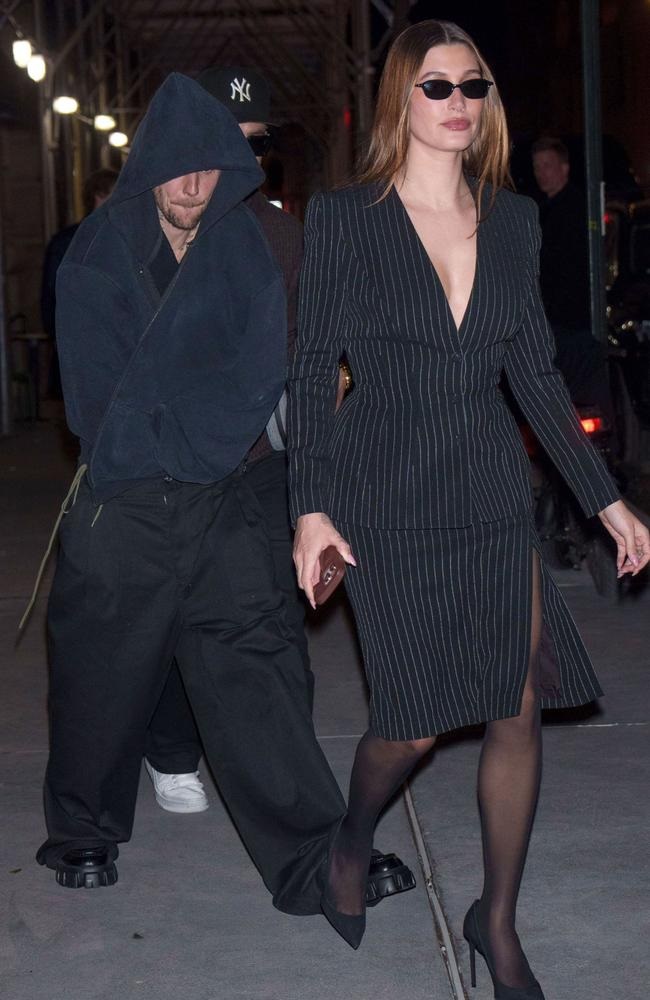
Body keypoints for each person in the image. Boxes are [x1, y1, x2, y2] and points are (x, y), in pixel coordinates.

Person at [288, 18, 649, 993]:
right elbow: (313, 367)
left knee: (515, 709)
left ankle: (495, 921)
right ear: (400, 100)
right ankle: (350, 839)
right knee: (412, 723)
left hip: (488, 487)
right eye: (438, 86)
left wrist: (605, 501)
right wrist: (310, 507)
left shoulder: (514, 220)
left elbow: (531, 371)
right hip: (384, 489)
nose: (459, 104)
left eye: (473, 87)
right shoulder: (347, 218)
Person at [36, 71, 348, 919]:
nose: (194, 182)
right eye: (178, 165)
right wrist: (164, 439)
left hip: (230, 487)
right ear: (150, 164)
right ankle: (83, 830)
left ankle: (316, 855)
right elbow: (95, 397)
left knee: (260, 670)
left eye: (210, 165)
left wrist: (210, 445)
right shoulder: (99, 248)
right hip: (128, 491)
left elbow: (265, 368)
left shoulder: (247, 244)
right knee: (101, 671)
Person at [140, 66, 415, 914]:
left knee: (266, 646)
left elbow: (313, 359)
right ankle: (173, 749)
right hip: (165, 476)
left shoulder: (281, 234)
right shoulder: (139, 232)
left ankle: (316, 846)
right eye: (224, 143)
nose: (239, 160)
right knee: (191, 636)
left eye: (255, 144)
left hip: (262, 470)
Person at [531, 136, 612, 421]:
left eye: (547, 165)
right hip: (559, 321)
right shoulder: (545, 210)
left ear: (564, 168)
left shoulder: (574, 209)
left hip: (571, 323)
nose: (541, 173)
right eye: (537, 167)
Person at [41, 169, 118, 398]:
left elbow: (50, 299)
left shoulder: (66, 241)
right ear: (100, 195)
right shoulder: (74, 241)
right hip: (95, 348)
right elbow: (52, 297)